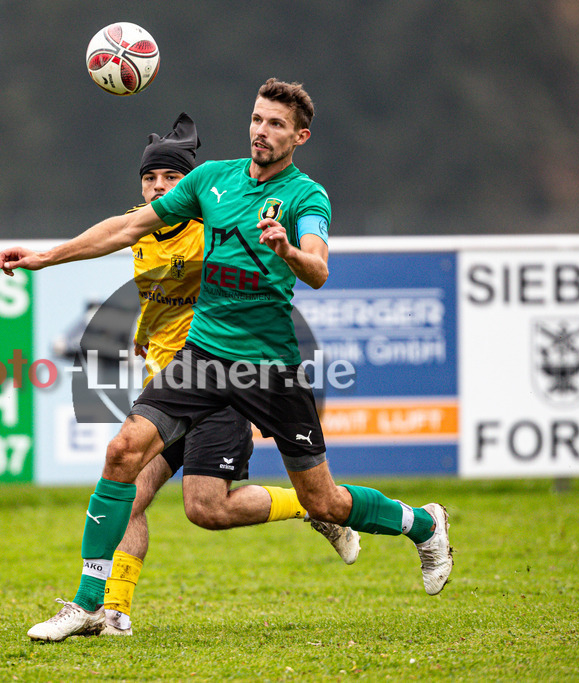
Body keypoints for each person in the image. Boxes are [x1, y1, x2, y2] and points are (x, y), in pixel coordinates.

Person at [0, 78, 454, 643]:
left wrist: (287, 249)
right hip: (204, 356)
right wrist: (47, 257)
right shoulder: (212, 178)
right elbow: (128, 226)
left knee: (325, 500)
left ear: (300, 136)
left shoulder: (306, 198)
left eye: (277, 125)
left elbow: (318, 267)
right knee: (122, 452)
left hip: (268, 369)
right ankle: (91, 603)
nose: (263, 131)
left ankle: (425, 524)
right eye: (258, 119)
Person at [100, 112, 360, 637]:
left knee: (205, 508)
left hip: (218, 382)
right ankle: (114, 614)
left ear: (190, 187)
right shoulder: (142, 230)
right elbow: (154, 288)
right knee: (128, 488)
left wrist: (285, 248)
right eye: (150, 178)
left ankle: (313, 509)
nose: (159, 188)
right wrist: (144, 332)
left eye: (171, 179)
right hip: (170, 384)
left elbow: (263, 259)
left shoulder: (210, 226)